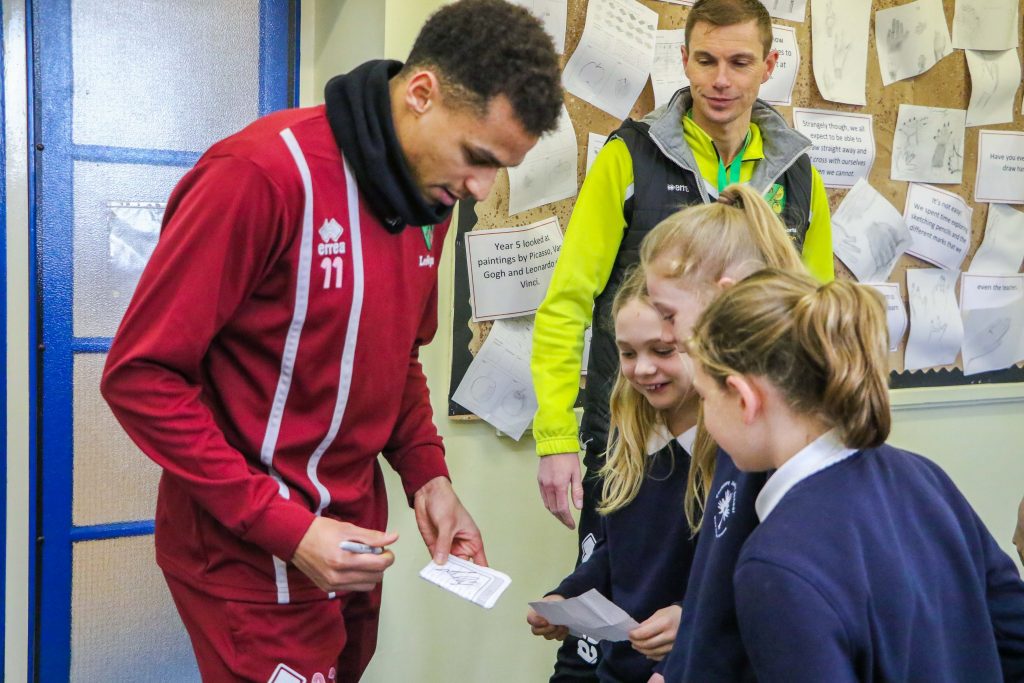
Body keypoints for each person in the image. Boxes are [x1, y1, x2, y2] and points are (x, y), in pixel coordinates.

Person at [100, 2, 562, 681]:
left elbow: (398, 356)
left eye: (501, 170)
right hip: (247, 558)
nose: (479, 188)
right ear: (421, 93)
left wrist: (427, 474)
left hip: (351, 545)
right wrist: (286, 526)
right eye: (476, 157)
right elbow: (141, 377)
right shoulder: (260, 174)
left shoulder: (427, 203)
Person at [530, 0, 832, 673]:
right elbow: (566, 303)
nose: (720, 79)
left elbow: (814, 318)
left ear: (768, 67)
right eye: (705, 59)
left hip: (741, 440)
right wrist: (556, 437)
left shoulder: (797, 174)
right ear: (684, 59)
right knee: (607, 624)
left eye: (739, 62)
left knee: (709, 619)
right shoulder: (628, 156)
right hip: (633, 431)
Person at [685, 268, 1024, 681]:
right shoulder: (925, 478)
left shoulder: (775, 562)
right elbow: (1013, 632)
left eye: (703, 397)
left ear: (743, 398)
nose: (704, 415)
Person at [639, 183, 804, 682]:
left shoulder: (766, 440)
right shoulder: (738, 431)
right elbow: (717, 592)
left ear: (726, 297)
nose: (665, 335)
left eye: (669, 315)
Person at [526, 267, 700, 682]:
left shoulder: (735, 457)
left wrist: (690, 619)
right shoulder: (628, 445)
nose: (642, 369)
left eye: (662, 350)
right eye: (628, 353)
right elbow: (613, 553)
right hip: (621, 668)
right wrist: (565, 598)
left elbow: (736, 579)